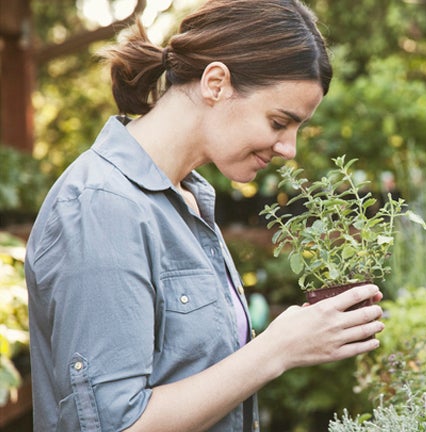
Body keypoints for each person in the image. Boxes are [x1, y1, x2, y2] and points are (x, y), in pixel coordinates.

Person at [24, 1, 385, 431]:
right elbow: (116, 425)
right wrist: (277, 350)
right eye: (278, 122)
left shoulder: (189, 199)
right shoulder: (103, 206)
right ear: (216, 83)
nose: (289, 149)